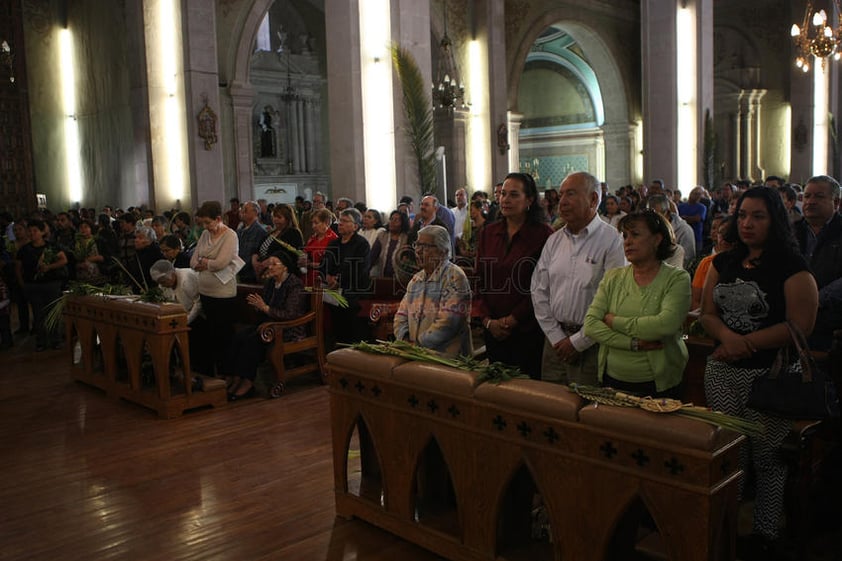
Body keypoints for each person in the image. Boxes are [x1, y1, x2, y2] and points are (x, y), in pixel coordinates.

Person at [700, 187, 818, 557]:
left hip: (769, 375)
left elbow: (800, 326)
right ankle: (725, 529)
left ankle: (765, 534)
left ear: (775, 221)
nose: (747, 224)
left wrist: (745, 343)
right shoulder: (724, 262)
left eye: (758, 216)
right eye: (743, 216)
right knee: (729, 458)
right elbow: (706, 313)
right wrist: (726, 337)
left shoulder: (791, 266)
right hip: (723, 372)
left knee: (767, 459)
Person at [532, 171, 626, 385]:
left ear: (593, 199)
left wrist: (578, 342)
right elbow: (538, 291)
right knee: (549, 408)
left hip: (591, 346)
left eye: (570, 194)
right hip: (553, 343)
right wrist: (557, 337)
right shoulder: (554, 240)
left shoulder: (612, 241)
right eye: (561, 194)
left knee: (585, 413)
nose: (562, 202)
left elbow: (614, 300)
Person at [583, 210, 691, 397]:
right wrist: (633, 343)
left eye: (635, 235)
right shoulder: (613, 277)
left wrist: (614, 321)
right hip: (613, 378)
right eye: (625, 236)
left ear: (657, 239)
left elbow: (665, 326)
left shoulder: (677, 279)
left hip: (658, 385)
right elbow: (591, 325)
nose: (627, 241)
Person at [475, 172, 553, 379]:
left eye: (514, 195)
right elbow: (479, 279)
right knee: (496, 390)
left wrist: (514, 319)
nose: (505, 200)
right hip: (492, 329)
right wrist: (487, 320)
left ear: (529, 200)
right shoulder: (488, 233)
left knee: (525, 394)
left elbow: (543, 286)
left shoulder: (544, 235)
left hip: (526, 330)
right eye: (503, 194)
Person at [224, 250, 307, 400]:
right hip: (269, 325)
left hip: (287, 329)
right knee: (239, 336)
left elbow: (291, 314)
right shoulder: (270, 283)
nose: (270, 267)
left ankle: (247, 383)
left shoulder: (295, 284)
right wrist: (259, 306)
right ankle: (234, 377)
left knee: (253, 341)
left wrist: (265, 308)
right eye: (269, 264)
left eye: (274, 264)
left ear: (285, 267)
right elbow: (265, 306)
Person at [394, 225, 472, 357]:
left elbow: (449, 323)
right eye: (417, 245)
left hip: (447, 358)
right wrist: (405, 340)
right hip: (415, 354)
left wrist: (417, 345)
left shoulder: (454, 277)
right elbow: (401, 315)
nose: (418, 251)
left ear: (443, 251)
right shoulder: (416, 279)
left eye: (425, 246)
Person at [190, 200, 240, 376]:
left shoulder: (230, 235)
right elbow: (192, 261)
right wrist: (206, 263)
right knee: (210, 335)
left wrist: (205, 262)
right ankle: (214, 374)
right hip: (205, 292)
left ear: (218, 218)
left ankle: (228, 374)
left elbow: (222, 263)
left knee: (223, 336)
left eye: (208, 222)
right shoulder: (205, 235)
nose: (205, 226)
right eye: (203, 223)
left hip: (223, 294)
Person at [792, 175, 842, 350]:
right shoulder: (790, 232)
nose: (810, 202)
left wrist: (814, 299)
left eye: (819, 197)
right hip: (791, 319)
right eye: (807, 196)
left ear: (836, 203)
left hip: (831, 321)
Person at [320, 208, 371, 345]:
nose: (340, 223)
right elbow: (324, 265)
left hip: (354, 294)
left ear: (355, 226)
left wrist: (338, 280)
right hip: (333, 293)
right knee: (337, 330)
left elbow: (359, 269)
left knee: (353, 332)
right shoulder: (333, 244)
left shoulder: (362, 244)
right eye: (339, 220)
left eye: (344, 221)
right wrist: (328, 277)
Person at [17, 219, 68, 351]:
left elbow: (63, 260)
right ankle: (41, 341)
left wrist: (49, 267)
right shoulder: (24, 250)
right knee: (37, 314)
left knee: (52, 313)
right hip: (33, 285)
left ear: (42, 232)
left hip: (50, 283)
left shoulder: (51, 246)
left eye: (35, 231)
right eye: (30, 231)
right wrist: (23, 283)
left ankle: (55, 339)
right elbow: (18, 267)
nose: (32, 233)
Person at [253, 203, 304, 281]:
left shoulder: (293, 233)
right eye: (274, 216)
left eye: (279, 217)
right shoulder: (271, 233)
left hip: (282, 275)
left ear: (287, 219)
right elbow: (257, 248)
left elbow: (291, 255)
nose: (275, 219)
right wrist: (255, 259)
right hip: (264, 273)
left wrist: (270, 261)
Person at [690, 215, 732, 310]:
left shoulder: (747, 263)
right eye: (721, 233)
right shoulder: (706, 262)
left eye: (730, 233)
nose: (725, 238)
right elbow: (695, 300)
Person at [149, 259, 202, 325]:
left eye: (163, 282)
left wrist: (186, 321)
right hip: (183, 314)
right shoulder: (162, 285)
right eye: (159, 283)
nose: (162, 285)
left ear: (172, 274)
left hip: (200, 315)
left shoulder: (186, 279)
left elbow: (198, 303)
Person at [369, 210, 410, 278]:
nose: (392, 222)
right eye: (391, 219)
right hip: (383, 277)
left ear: (402, 223)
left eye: (396, 220)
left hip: (401, 279)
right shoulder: (382, 236)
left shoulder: (407, 238)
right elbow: (372, 256)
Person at [303, 208, 338, 286]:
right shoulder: (312, 238)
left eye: (316, 223)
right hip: (308, 277)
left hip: (323, 279)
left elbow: (331, 264)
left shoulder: (333, 239)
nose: (313, 226)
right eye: (312, 223)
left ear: (326, 223)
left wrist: (310, 264)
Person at [236, 201, 268, 284]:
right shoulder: (240, 231)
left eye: (245, 210)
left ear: (255, 212)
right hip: (239, 272)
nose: (242, 212)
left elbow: (254, 253)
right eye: (241, 210)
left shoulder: (260, 231)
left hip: (250, 275)